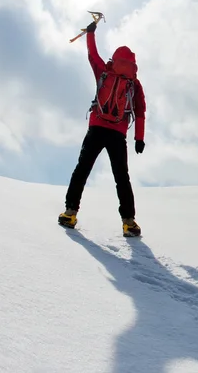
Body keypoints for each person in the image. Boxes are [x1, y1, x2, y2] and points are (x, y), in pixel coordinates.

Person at [58, 20, 146, 237]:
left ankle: (70, 212)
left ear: (115, 59)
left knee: (82, 169)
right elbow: (141, 110)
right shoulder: (134, 83)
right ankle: (129, 222)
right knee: (121, 177)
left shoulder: (104, 72)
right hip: (118, 133)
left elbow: (92, 55)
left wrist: (90, 33)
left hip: (97, 127)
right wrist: (139, 138)